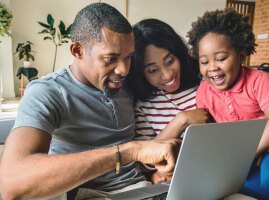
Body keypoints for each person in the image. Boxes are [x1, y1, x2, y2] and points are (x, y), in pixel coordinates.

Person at [0, 3, 182, 200]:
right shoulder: (48, 92)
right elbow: (12, 183)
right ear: (77, 50)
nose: (123, 69)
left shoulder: (126, 82)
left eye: (128, 57)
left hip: (144, 189)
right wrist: (130, 151)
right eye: (110, 58)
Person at [126, 18, 269, 190]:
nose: (167, 75)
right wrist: (182, 120)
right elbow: (146, 162)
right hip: (205, 172)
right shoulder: (144, 104)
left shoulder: (207, 79)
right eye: (152, 70)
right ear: (141, 72)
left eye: (170, 61)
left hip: (242, 154)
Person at [187, 8, 269, 200]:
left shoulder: (258, 79)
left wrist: (246, 154)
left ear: (241, 54)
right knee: (234, 185)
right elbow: (211, 132)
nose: (212, 67)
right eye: (204, 61)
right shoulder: (203, 91)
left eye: (221, 58)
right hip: (238, 151)